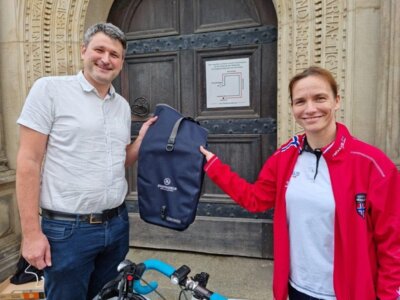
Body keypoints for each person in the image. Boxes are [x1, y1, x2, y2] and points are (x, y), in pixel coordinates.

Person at [200, 66, 400, 300]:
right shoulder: (284, 156)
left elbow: (392, 242)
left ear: (336, 101)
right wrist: (214, 166)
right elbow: (255, 200)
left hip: (349, 293)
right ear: (293, 108)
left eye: (320, 98)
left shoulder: (372, 163)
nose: (310, 109)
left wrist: (389, 296)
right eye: (300, 101)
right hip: (298, 289)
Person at [16, 22, 156, 300]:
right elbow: (28, 161)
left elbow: (120, 161)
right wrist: (31, 234)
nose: (106, 59)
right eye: (99, 50)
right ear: (83, 51)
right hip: (68, 232)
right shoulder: (50, 90)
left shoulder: (122, 106)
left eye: (114, 54)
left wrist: (140, 141)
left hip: (116, 227)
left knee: (108, 296)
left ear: (122, 61)